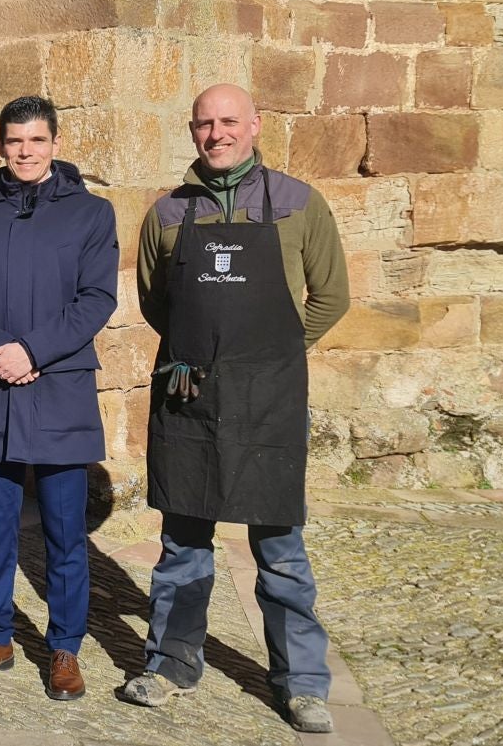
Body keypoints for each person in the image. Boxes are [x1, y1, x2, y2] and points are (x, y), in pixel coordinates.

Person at [122, 84, 349, 734]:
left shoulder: (300, 204)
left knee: (278, 546)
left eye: (228, 121)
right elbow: (154, 303)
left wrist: (271, 355)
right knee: (183, 543)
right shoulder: (166, 214)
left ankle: (301, 683)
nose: (216, 133)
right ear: (191, 131)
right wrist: (208, 356)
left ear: (253, 124)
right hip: (190, 397)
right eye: (204, 123)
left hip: (269, 399)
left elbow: (329, 298)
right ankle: (169, 662)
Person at [0, 96, 117, 700]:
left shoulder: (92, 215)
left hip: (59, 387)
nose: (25, 151)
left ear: (55, 144)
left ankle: (65, 648)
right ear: (0, 146)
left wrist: (34, 352)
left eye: (36, 141)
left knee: (67, 532)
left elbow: (97, 299)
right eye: (15, 141)